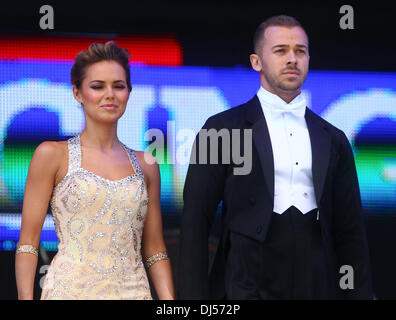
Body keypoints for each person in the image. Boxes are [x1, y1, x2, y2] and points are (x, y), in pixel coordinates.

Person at [178, 15, 373, 299]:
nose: (292, 59)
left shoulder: (334, 138)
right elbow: (196, 219)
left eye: (300, 51)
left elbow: (351, 231)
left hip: (317, 282)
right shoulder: (220, 128)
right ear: (256, 62)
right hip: (245, 283)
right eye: (280, 50)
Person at [15, 41, 175, 300]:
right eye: (98, 86)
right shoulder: (51, 154)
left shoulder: (147, 164)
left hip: (134, 293)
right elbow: (28, 244)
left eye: (118, 86)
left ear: (129, 92)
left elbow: (155, 251)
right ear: (77, 93)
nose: (109, 94)